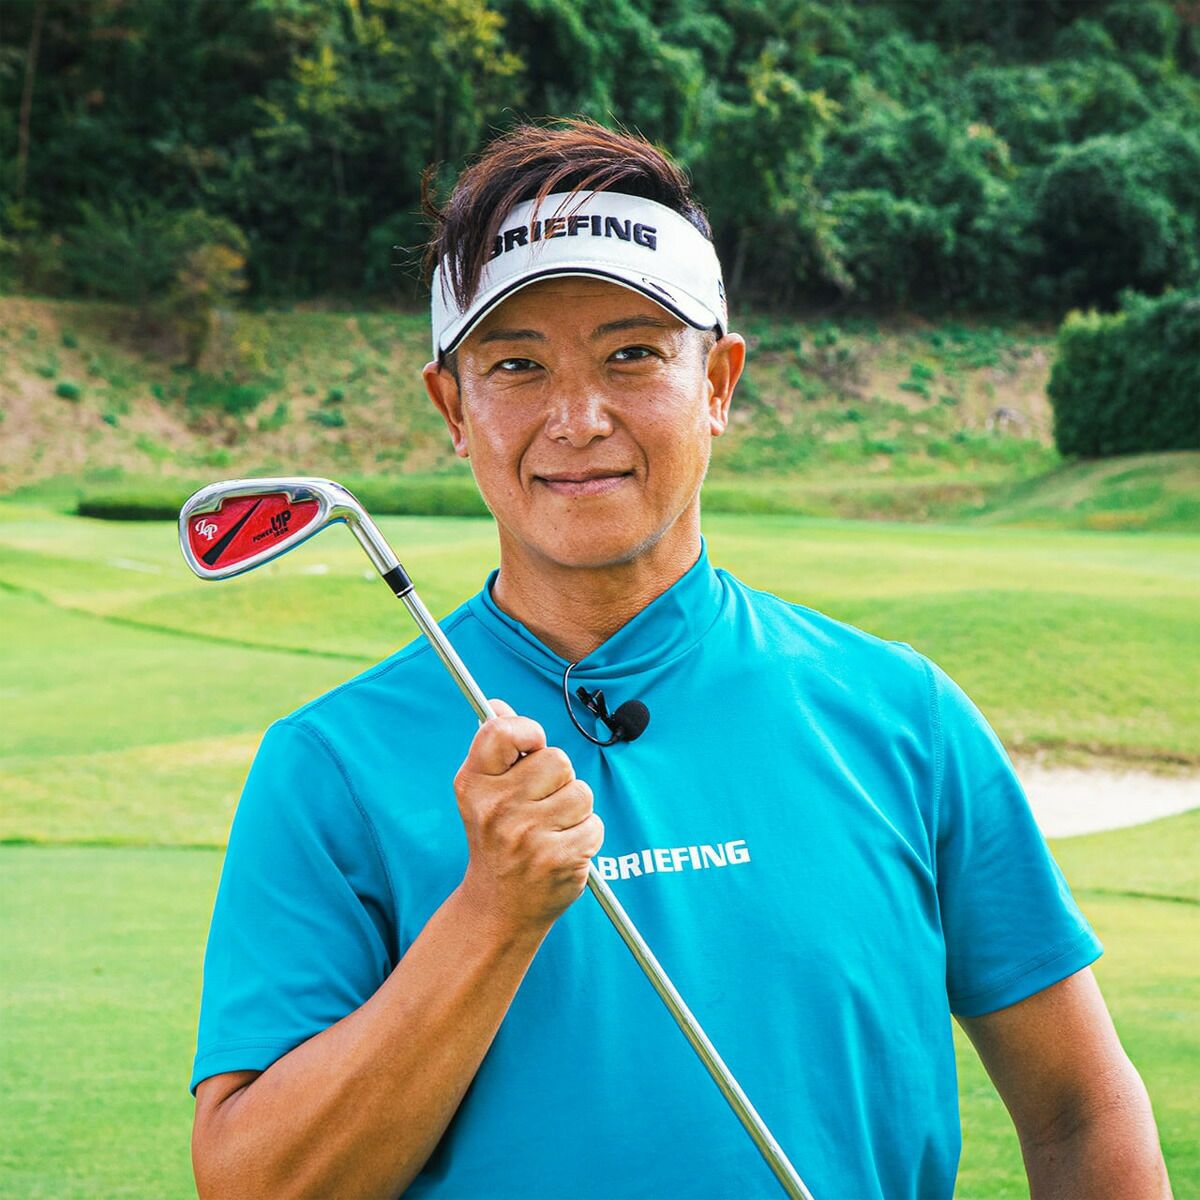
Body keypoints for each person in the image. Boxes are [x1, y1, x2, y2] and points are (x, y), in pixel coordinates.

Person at [189, 120, 1171, 1200]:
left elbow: (1081, 1113)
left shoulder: (906, 719)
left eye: (634, 354)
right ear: (452, 407)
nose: (577, 419)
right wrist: (492, 913)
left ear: (719, 383)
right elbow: (257, 1186)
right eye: (516, 365)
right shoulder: (329, 767)